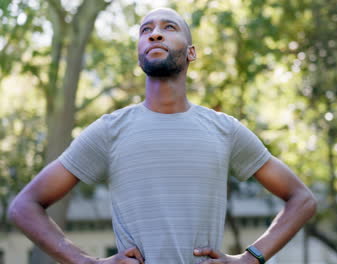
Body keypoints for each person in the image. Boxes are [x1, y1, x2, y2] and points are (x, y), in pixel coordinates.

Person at [8, 7, 317, 264]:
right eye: (145, 31)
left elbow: (301, 199)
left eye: (169, 27)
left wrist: (250, 259)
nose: (154, 34)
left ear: (192, 52)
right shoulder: (108, 130)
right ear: (139, 53)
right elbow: (24, 207)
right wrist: (87, 262)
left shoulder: (225, 130)